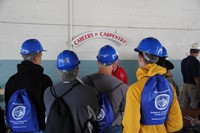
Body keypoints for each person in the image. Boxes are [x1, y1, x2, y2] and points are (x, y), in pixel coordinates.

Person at [122, 37, 183, 133]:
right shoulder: (170, 87)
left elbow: (131, 128)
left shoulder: (135, 89)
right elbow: (176, 124)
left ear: (140, 58)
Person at [44, 50, 99, 133]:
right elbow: (95, 116)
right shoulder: (89, 91)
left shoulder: (48, 92)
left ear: (58, 69)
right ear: (77, 69)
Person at [5, 39, 53, 133]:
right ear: (36, 59)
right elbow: (49, 108)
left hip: (15, 129)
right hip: (38, 129)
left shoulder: (11, 80)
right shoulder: (44, 80)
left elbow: (8, 106)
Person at [81, 45, 128, 132]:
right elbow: (126, 113)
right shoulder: (123, 87)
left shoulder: (83, 82)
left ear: (98, 61)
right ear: (114, 63)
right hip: (113, 128)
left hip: (90, 128)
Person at [180, 42, 200, 109]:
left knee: (184, 106)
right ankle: (194, 119)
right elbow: (196, 77)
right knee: (195, 105)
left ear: (190, 51)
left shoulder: (183, 61)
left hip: (184, 85)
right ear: (197, 52)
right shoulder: (196, 62)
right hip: (193, 87)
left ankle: (184, 119)